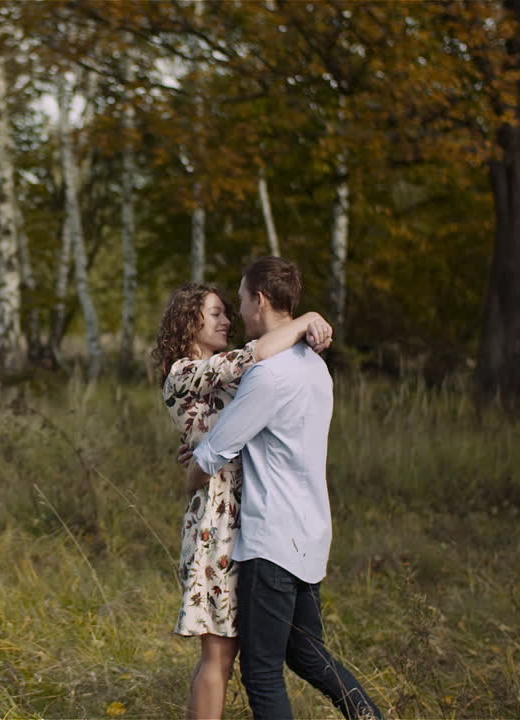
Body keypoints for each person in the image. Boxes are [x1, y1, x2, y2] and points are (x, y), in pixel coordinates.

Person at [188, 257, 384, 720]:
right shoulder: (315, 368)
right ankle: (369, 716)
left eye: (240, 301)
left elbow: (214, 454)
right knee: (306, 653)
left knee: (261, 672)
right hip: (310, 536)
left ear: (259, 300)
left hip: (271, 543)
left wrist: (190, 470)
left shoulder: (269, 376)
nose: (239, 313)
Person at [153, 281, 332, 720]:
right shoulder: (184, 371)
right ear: (188, 320)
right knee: (218, 656)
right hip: (217, 524)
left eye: (228, 312)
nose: (227, 321)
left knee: (230, 656)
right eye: (215, 313)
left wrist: (200, 445)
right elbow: (254, 355)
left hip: (249, 521)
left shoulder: (218, 375)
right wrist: (306, 319)